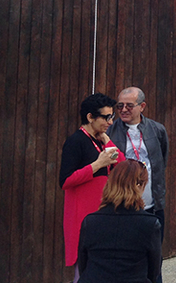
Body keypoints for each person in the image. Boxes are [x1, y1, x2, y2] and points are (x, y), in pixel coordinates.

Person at [60, 93, 124, 282]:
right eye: (106, 117)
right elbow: (65, 181)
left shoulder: (99, 140)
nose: (110, 122)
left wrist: (106, 140)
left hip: (101, 215)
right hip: (83, 218)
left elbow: (121, 166)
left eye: (111, 117)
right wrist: (96, 165)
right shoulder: (75, 141)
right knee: (85, 270)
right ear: (90, 117)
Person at [109, 87, 169, 282]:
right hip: (121, 207)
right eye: (120, 106)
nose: (123, 110)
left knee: (154, 257)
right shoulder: (110, 130)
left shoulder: (157, 129)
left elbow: (162, 160)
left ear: (142, 106)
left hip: (152, 206)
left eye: (129, 105)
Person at [77, 159, 162, 283]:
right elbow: (154, 271)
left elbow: (83, 265)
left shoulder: (90, 222)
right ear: (139, 186)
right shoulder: (150, 224)